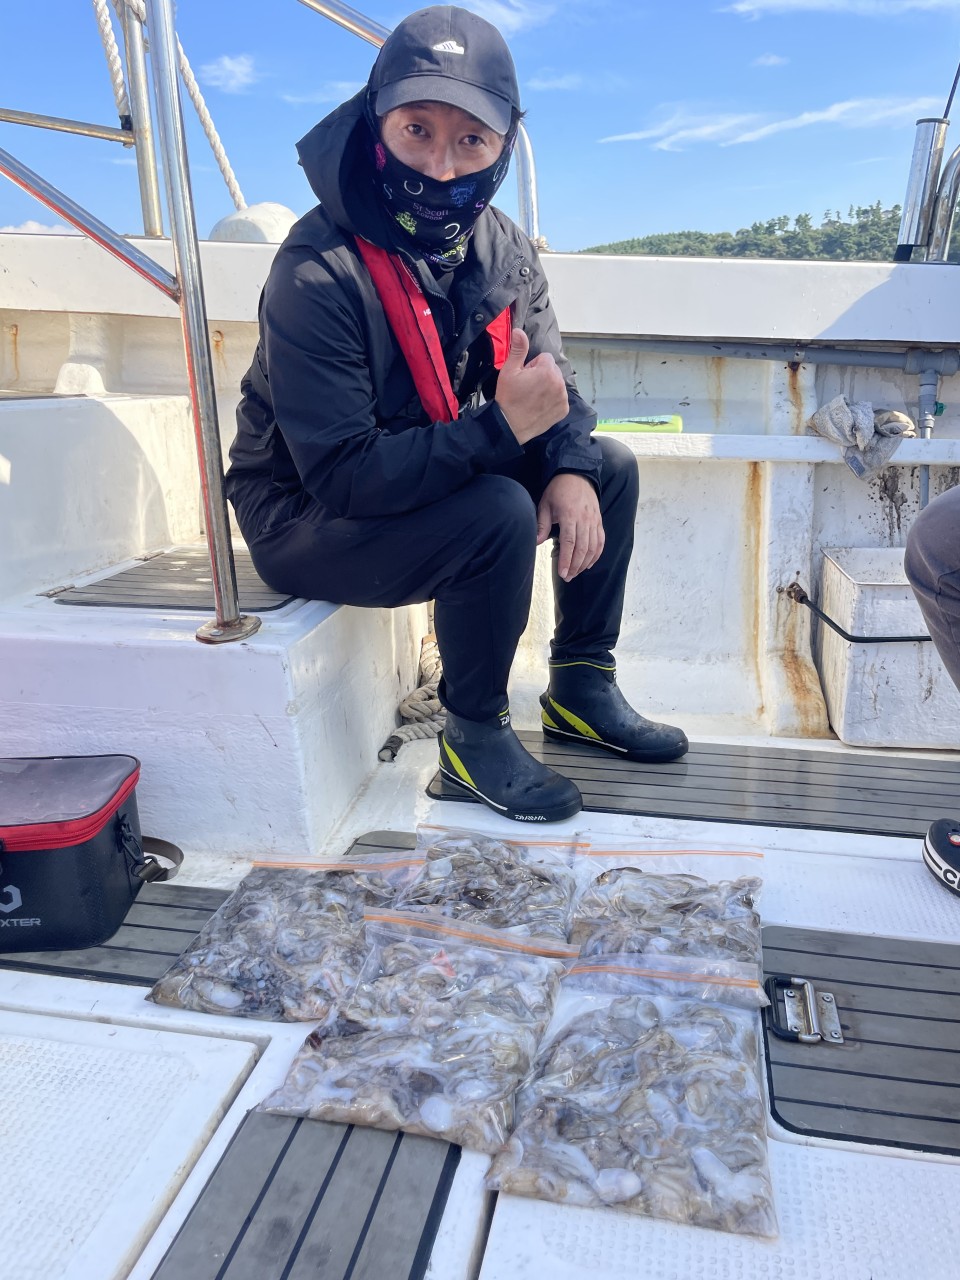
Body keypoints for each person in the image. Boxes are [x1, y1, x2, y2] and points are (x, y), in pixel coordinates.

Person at [226, 5, 688, 825]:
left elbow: (553, 386)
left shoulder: (501, 248)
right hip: (302, 514)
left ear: (504, 146)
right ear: (375, 123)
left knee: (606, 467)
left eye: (471, 140)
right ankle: (473, 740)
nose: (441, 168)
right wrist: (498, 433)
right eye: (417, 131)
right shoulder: (315, 270)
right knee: (496, 509)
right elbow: (342, 474)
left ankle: (581, 686)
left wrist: (570, 468)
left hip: (415, 461)